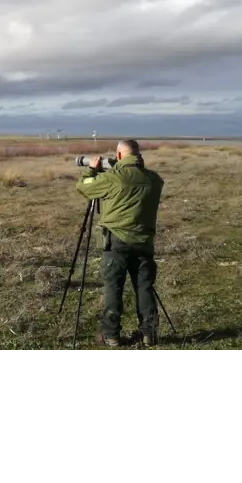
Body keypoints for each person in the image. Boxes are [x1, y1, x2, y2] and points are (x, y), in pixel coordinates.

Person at [76, 139, 165, 347]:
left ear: (118, 156)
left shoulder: (113, 178)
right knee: (144, 287)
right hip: (144, 242)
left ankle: (112, 335)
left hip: (115, 241)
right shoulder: (154, 179)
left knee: (114, 288)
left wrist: (90, 170)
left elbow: (84, 187)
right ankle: (149, 333)